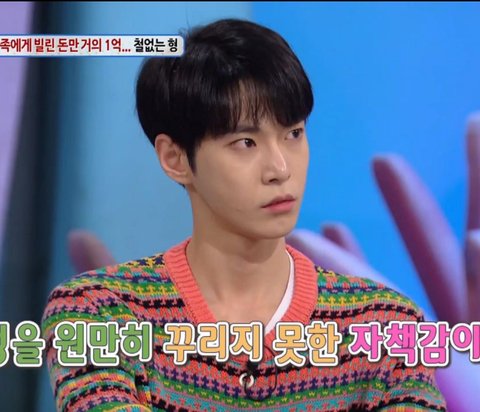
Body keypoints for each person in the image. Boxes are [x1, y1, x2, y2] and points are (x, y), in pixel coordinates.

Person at [42, 18, 447, 411]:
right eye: (245, 143)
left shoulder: (384, 326)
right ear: (175, 158)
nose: (280, 169)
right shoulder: (99, 311)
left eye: (293, 134)